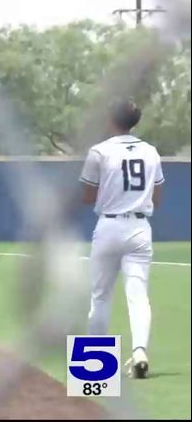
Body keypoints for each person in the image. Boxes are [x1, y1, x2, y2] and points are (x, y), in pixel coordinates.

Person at [80, 101, 164, 379]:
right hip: (141, 226)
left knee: (100, 296)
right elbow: (157, 197)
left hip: (109, 225)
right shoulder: (151, 151)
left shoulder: (99, 151)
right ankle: (139, 350)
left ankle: (95, 367)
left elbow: (89, 196)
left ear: (111, 119)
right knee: (138, 296)